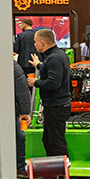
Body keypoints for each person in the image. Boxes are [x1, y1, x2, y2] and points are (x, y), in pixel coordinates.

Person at [29, 28, 71, 159]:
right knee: (48, 140)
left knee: (56, 143)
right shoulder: (58, 55)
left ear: (42, 42)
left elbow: (53, 83)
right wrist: (39, 65)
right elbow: (51, 70)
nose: (34, 44)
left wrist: (36, 82)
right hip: (55, 105)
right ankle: (55, 168)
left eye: (35, 41)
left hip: (56, 106)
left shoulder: (54, 58)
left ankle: (61, 169)